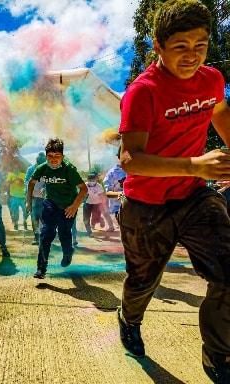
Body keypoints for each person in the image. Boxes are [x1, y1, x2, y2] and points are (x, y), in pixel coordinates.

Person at [116, 1, 230, 381]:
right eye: (181, 46)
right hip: (145, 205)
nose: (193, 56)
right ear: (158, 46)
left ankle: (219, 355)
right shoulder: (143, 92)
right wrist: (194, 164)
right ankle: (129, 319)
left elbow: (220, 114)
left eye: (201, 45)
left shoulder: (211, 79)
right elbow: (131, 159)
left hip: (194, 196)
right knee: (143, 282)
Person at [26, 138, 87, 278]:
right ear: (46, 156)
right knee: (46, 233)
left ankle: (67, 253)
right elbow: (31, 182)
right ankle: (41, 268)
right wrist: (28, 201)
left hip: (68, 206)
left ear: (62, 157)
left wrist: (74, 206)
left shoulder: (69, 169)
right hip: (51, 204)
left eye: (57, 156)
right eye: (50, 157)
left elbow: (84, 189)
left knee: (64, 234)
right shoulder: (42, 168)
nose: (53, 160)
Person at [25, 152, 46, 245]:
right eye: (38, 164)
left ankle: (45, 237)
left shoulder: (48, 169)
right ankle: (36, 237)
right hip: (33, 197)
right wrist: (30, 189)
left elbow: (52, 182)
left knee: (44, 217)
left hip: (45, 198)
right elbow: (26, 181)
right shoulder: (30, 169)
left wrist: (45, 188)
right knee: (34, 217)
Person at [103, 147, 126, 223]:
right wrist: (124, 196)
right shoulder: (112, 173)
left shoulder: (135, 171)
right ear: (119, 157)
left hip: (133, 208)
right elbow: (108, 193)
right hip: (118, 209)